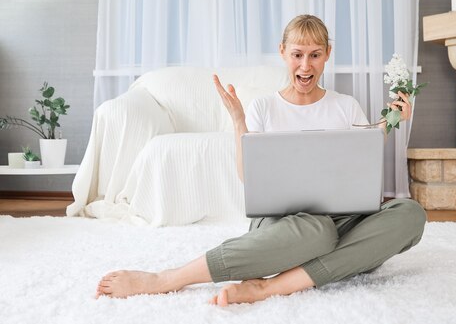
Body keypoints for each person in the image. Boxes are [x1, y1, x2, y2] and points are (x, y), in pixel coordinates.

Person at [96, 15, 427, 306]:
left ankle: (270, 287)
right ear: (283, 52)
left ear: (327, 56)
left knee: (410, 213)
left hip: (343, 219)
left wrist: (389, 123)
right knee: (317, 232)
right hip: (283, 223)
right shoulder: (264, 108)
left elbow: (358, 158)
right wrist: (239, 123)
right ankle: (168, 279)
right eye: (297, 55)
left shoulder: (345, 105)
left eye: (315, 55)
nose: (305, 65)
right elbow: (246, 176)